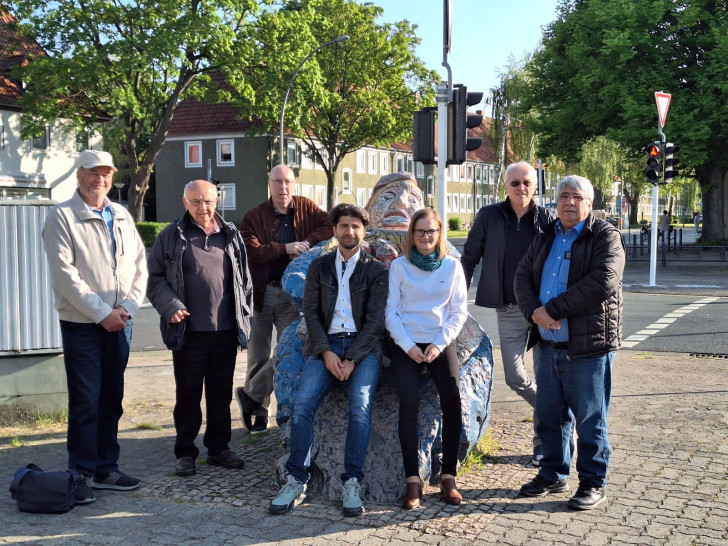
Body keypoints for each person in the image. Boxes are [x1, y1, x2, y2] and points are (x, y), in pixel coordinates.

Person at [42, 149, 148, 505]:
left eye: (105, 173)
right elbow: (65, 277)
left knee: (111, 398)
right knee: (86, 401)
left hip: (120, 322)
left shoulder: (120, 214)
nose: (99, 179)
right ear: (79, 174)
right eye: (92, 172)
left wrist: (127, 308)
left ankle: (106, 468)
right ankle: (81, 472)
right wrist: (103, 313)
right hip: (83, 325)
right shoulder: (62, 217)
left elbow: (138, 266)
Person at [269, 204, 389, 517]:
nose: (349, 232)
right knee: (303, 404)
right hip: (324, 347)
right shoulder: (319, 268)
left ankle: (352, 481)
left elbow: (376, 322)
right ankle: (297, 477)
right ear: (334, 230)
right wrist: (326, 353)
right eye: (344, 226)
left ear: (364, 232)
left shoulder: (376, 270)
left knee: (360, 406)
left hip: (363, 350)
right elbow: (310, 313)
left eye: (355, 227)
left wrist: (351, 359)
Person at [514, 175, 625, 511]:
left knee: (590, 421)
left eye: (577, 197)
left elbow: (602, 282)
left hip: (587, 348)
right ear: (556, 201)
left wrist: (552, 310)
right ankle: (552, 473)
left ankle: (593, 482)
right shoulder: (546, 235)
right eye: (563, 196)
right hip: (548, 346)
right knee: (549, 416)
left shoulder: (605, 236)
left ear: (589, 203)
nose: (569, 202)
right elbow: (521, 276)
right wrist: (535, 312)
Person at [147, 180, 253, 477]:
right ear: (185, 203)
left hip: (225, 330)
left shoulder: (231, 235)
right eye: (196, 202)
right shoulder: (171, 235)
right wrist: (171, 306)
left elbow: (244, 280)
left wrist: (244, 317)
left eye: (208, 201)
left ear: (217, 201)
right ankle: (185, 452)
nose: (203, 208)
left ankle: (219, 448)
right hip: (189, 331)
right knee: (188, 394)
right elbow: (154, 278)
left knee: (220, 394)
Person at [461, 161, 555, 466]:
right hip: (510, 307)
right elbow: (470, 257)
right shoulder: (489, 216)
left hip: (544, 308)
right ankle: (558, 413)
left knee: (545, 376)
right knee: (516, 378)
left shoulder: (547, 219)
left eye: (527, 182)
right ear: (506, 186)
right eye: (515, 183)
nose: (521, 188)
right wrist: (457, 296)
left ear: (535, 186)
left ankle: (544, 443)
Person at [236, 165, 332, 433]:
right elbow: (249, 251)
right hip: (261, 294)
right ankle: (260, 410)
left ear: (294, 184)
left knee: (289, 351)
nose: (283, 187)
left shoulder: (306, 207)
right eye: (277, 182)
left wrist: (307, 244)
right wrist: (284, 249)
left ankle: (252, 394)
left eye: (287, 181)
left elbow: (328, 227)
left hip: (292, 296)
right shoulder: (255, 216)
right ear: (269, 184)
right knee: (257, 355)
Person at [385, 208, 468, 510]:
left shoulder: (452, 267)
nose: (425, 236)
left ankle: (448, 475)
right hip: (405, 342)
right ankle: (412, 479)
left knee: (452, 401)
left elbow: (458, 312)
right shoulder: (399, 267)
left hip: (439, 341)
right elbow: (391, 311)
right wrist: (407, 346)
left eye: (431, 231)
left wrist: (438, 344)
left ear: (439, 233)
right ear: (412, 234)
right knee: (408, 403)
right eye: (420, 231)